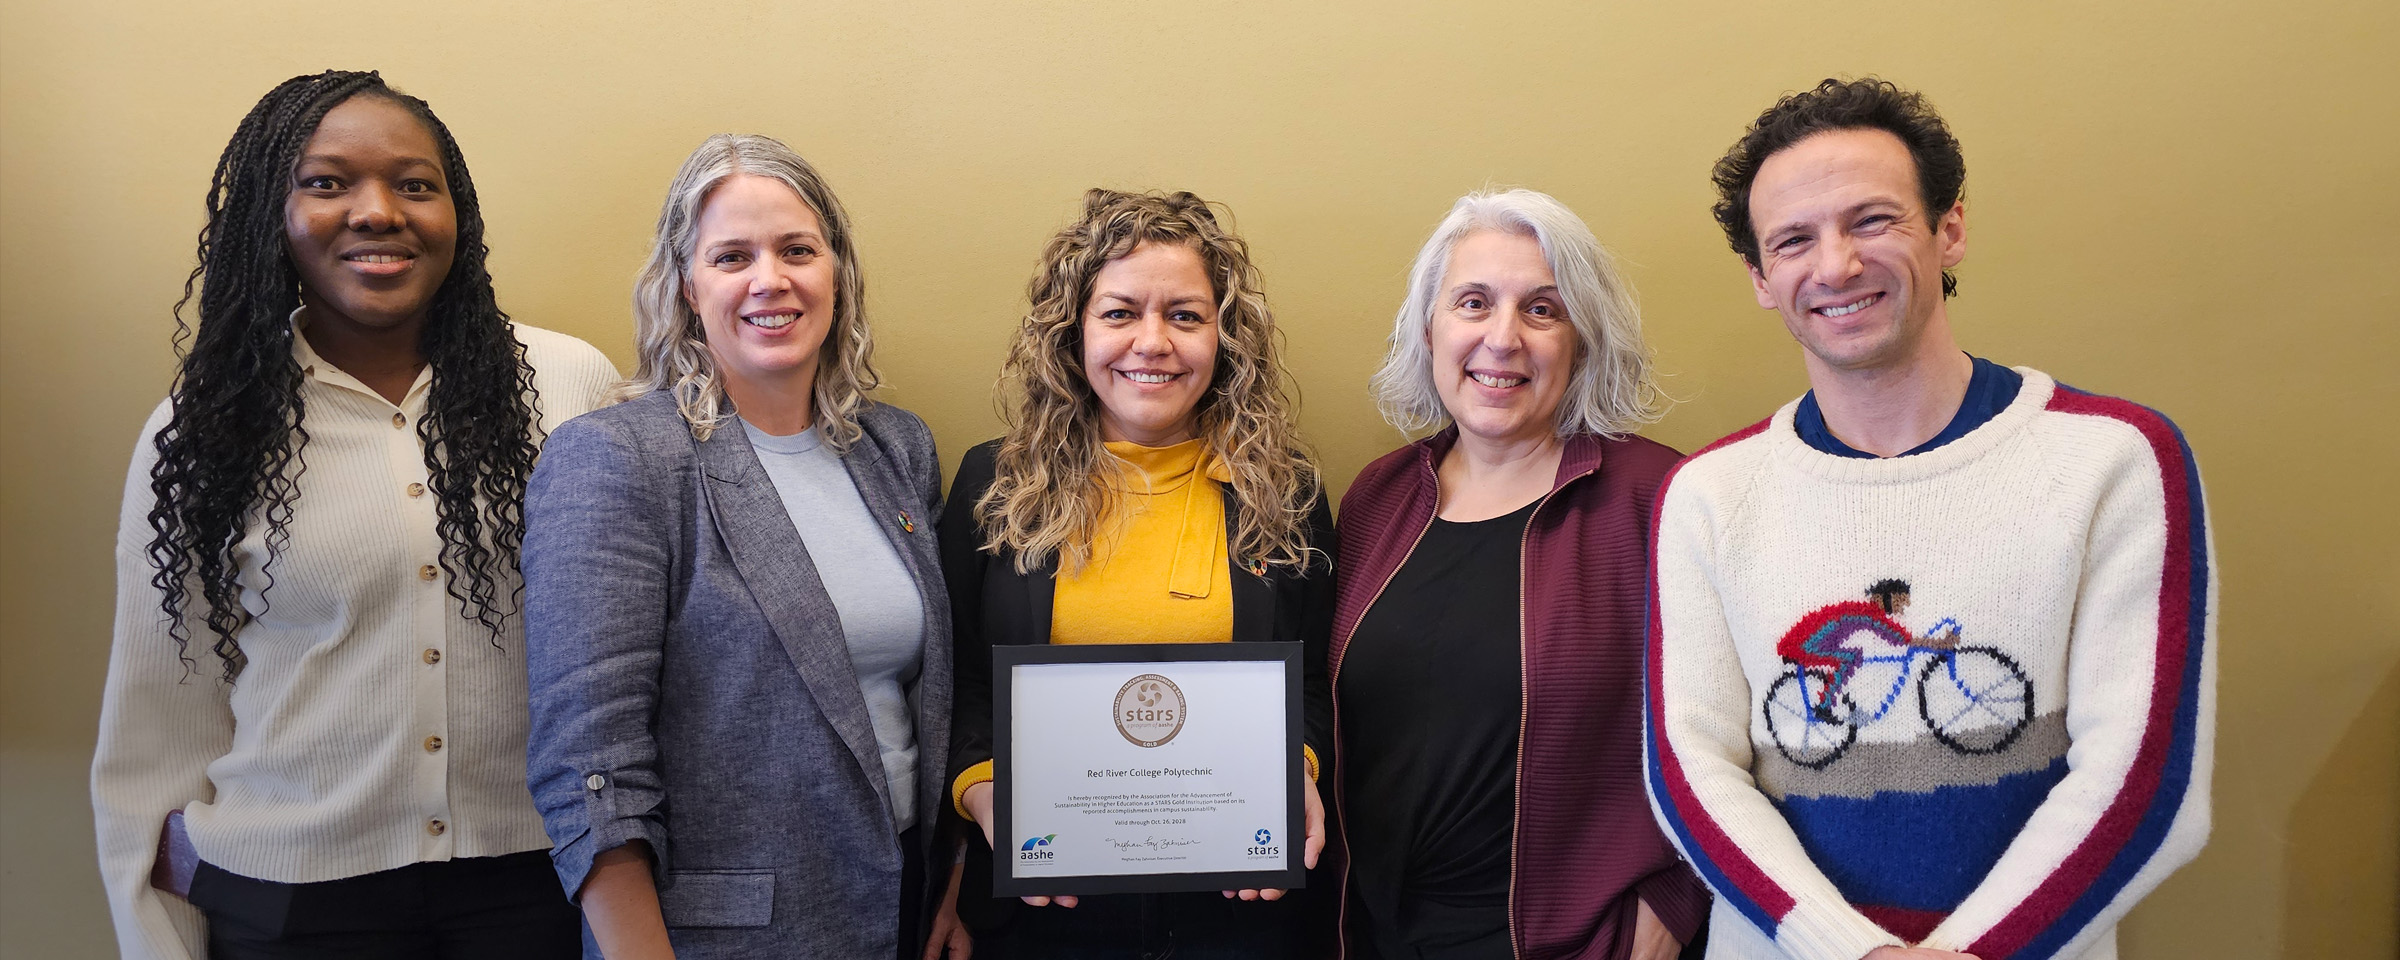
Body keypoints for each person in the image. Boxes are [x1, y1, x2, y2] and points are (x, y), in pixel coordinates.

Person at [1644, 78, 2217, 960]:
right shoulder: (1711, 493)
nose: (1834, 265)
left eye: (1872, 220)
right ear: (1761, 279)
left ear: (1949, 227)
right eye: (1794, 240)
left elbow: (2146, 779)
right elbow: (1689, 770)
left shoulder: (2114, 460)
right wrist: (1855, 951)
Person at [91, 70, 619, 959]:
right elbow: (160, 718)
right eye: (327, 182)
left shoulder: (572, 388)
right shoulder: (203, 428)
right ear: (272, 213)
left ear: (460, 214)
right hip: (290, 902)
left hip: (535, 887)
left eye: (416, 185)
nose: (378, 212)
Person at [520, 134, 964, 960]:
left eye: (798, 249)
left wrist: (950, 883)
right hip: (716, 937)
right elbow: (591, 764)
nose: (772, 279)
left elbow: (926, 704)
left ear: (837, 273)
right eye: (732, 256)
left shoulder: (897, 450)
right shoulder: (618, 459)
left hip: (901, 909)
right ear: (687, 287)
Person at [942, 188, 1334, 959]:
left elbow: (1319, 678)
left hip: (1239, 916)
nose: (1151, 341)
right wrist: (986, 796)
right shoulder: (996, 485)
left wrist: (1296, 770)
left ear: (1225, 337)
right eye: (1120, 313)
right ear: (1073, 331)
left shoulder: (1284, 492)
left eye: (1184, 315)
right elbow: (958, 681)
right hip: (1043, 917)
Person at [1333, 188, 1708, 960]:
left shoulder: (1656, 496)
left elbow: (1738, 734)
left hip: (1574, 944)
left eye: (1542, 310)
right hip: (1376, 936)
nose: (1502, 338)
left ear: (1581, 340)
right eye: (1473, 302)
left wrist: (1671, 908)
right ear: (1428, 328)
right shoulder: (1379, 495)